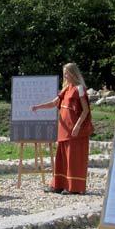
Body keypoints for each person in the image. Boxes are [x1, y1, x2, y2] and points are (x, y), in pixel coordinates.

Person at [32, 63, 93, 194]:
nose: (65, 76)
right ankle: (58, 185)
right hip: (63, 130)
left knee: (73, 158)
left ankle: (74, 187)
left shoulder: (79, 88)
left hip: (75, 131)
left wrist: (77, 126)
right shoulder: (66, 88)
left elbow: (86, 110)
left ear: (72, 73)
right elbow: (54, 103)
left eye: (66, 73)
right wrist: (38, 107)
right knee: (61, 158)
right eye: (64, 73)